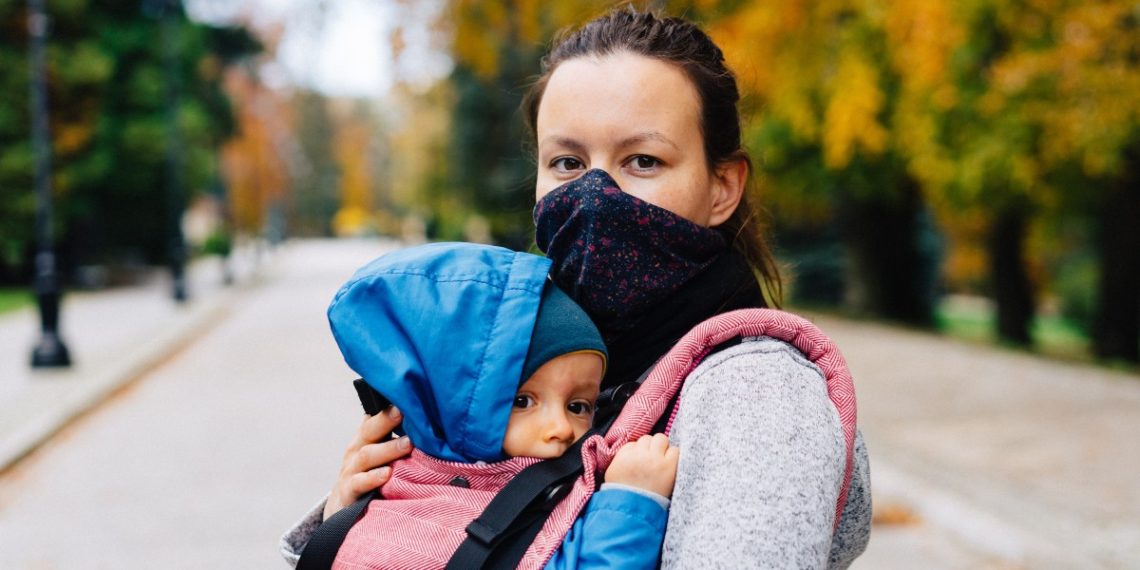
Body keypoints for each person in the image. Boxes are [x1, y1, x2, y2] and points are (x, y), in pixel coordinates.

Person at [285, 6, 871, 568]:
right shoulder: (528, 355)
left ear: (722, 186)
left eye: (642, 160)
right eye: (567, 163)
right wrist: (359, 521)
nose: (594, 196)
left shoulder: (755, 394)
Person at [296, 242, 678, 569]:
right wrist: (631, 503)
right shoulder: (395, 525)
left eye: (579, 406)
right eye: (523, 401)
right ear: (448, 405)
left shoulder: (563, 484)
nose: (561, 428)